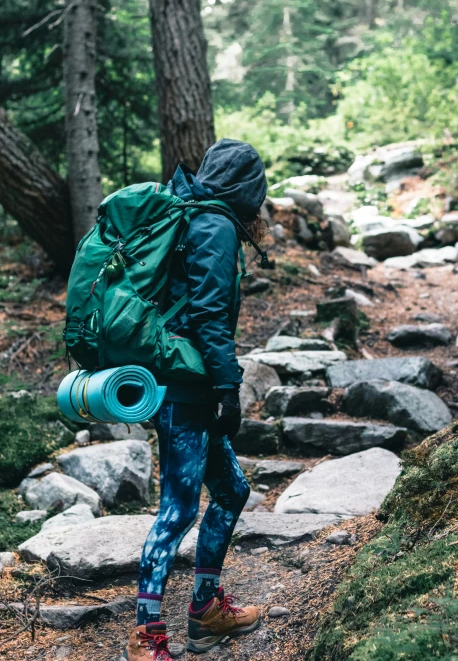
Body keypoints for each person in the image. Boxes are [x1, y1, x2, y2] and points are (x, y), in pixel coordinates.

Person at [123, 139, 268, 660]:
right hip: (187, 390)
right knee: (178, 509)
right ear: (247, 186)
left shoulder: (191, 213)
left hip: (183, 383)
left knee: (230, 490)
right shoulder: (215, 225)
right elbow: (208, 315)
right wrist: (228, 389)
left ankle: (206, 611)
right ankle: (147, 638)